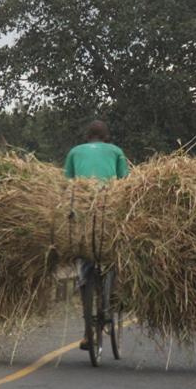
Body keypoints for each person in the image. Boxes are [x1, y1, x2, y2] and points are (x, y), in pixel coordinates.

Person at [63, 120, 128, 350]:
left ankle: (87, 331)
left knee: (85, 268)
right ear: (106, 137)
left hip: (82, 217)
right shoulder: (116, 151)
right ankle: (115, 296)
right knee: (115, 257)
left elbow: (67, 184)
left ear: (87, 137)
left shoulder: (74, 152)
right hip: (108, 214)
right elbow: (126, 184)